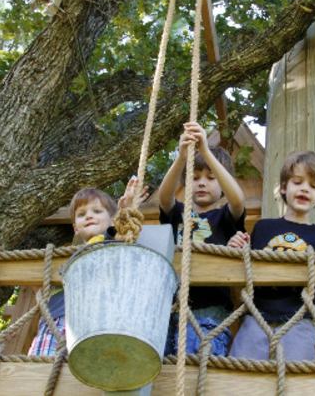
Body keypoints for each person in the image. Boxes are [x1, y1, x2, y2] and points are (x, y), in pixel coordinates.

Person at [226, 150, 315, 360]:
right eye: (297, 182)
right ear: (284, 187)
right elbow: (245, 274)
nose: (305, 188)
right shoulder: (264, 228)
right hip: (257, 318)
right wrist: (237, 247)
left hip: (300, 321)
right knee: (240, 377)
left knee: (296, 382)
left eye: (313, 186)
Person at [28, 178, 146, 355]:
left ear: (112, 220)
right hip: (58, 319)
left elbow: (124, 231)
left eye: (97, 211)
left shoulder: (111, 242)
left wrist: (126, 206)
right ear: (76, 228)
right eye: (82, 214)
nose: (89, 216)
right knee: (40, 371)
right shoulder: (64, 255)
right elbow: (37, 281)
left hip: (95, 322)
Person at [158, 121, 246, 356]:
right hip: (171, 309)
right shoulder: (178, 214)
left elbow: (237, 200)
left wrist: (206, 151)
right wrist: (181, 158)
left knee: (197, 366)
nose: (202, 182)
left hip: (211, 310)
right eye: (195, 177)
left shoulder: (224, 217)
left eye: (210, 177)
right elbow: (164, 198)